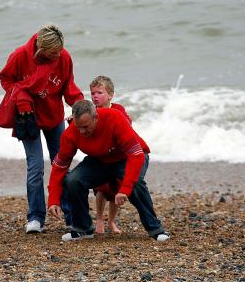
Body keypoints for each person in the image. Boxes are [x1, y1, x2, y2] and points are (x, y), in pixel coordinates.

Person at [0, 24, 83, 234]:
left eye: (59, 52)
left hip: (54, 117)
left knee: (60, 164)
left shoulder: (64, 58)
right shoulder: (20, 56)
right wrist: (22, 98)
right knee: (35, 167)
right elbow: (6, 79)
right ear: (40, 48)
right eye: (52, 53)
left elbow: (68, 87)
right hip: (28, 117)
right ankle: (35, 217)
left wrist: (79, 106)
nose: (56, 56)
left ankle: (71, 217)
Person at [47, 100, 169, 242]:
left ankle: (155, 229)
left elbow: (136, 154)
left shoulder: (114, 118)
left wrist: (125, 188)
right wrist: (53, 199)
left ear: (96, 118)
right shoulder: (71, 133)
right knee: (73, 180)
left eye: (86, 127)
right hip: (100, 161)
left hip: (129, 157)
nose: (82, 131)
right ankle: (83, 229)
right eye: (78, 127)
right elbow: (59, 166)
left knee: (136, 184)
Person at [89, 75, 131, 234]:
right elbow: (84, 125)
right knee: (101, 189)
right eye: (92, 93)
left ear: (110, 95)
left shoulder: (118, 109)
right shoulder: (91, 111)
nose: (95, 96)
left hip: (117, 157)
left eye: (99, 92)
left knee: (115, 192)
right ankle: (99, 219)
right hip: (100, 157)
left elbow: (127, 125)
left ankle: (112, 222)